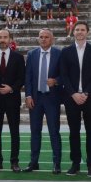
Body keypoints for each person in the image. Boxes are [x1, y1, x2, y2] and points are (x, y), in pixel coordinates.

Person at [60, 21, 91, 177]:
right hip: (71, 98)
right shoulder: (66, 51)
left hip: (90, 98)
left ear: (88, 32)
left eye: (82, 29)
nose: (79, 32)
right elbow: (63, 75)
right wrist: (73, 94)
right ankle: (75, 163)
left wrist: (86, 93)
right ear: (73, 31)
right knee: (74, 132)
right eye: (77, 29)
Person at [24, 29, 63, 174]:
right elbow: (28, 77)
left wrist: (56, 81)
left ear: (52, 39)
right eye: (41, 37)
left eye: (46, 37)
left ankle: (56, 163)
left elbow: (65, 75)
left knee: (54, 131)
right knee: (35, 131)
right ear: (38, 39)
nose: (44, 39)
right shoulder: (32, 54)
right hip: (35, 98)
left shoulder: (59, 54)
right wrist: (28, 95)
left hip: (52, 99)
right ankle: (34, 162)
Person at [0, 29, 25, 172]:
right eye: (0, 37)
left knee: (14, 131)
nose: (2, 39)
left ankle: (14, 162)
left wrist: (11, 88)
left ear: (10, 39)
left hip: (12, 99)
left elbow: (21, 78)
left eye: (5, 37)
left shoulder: (18, 57)